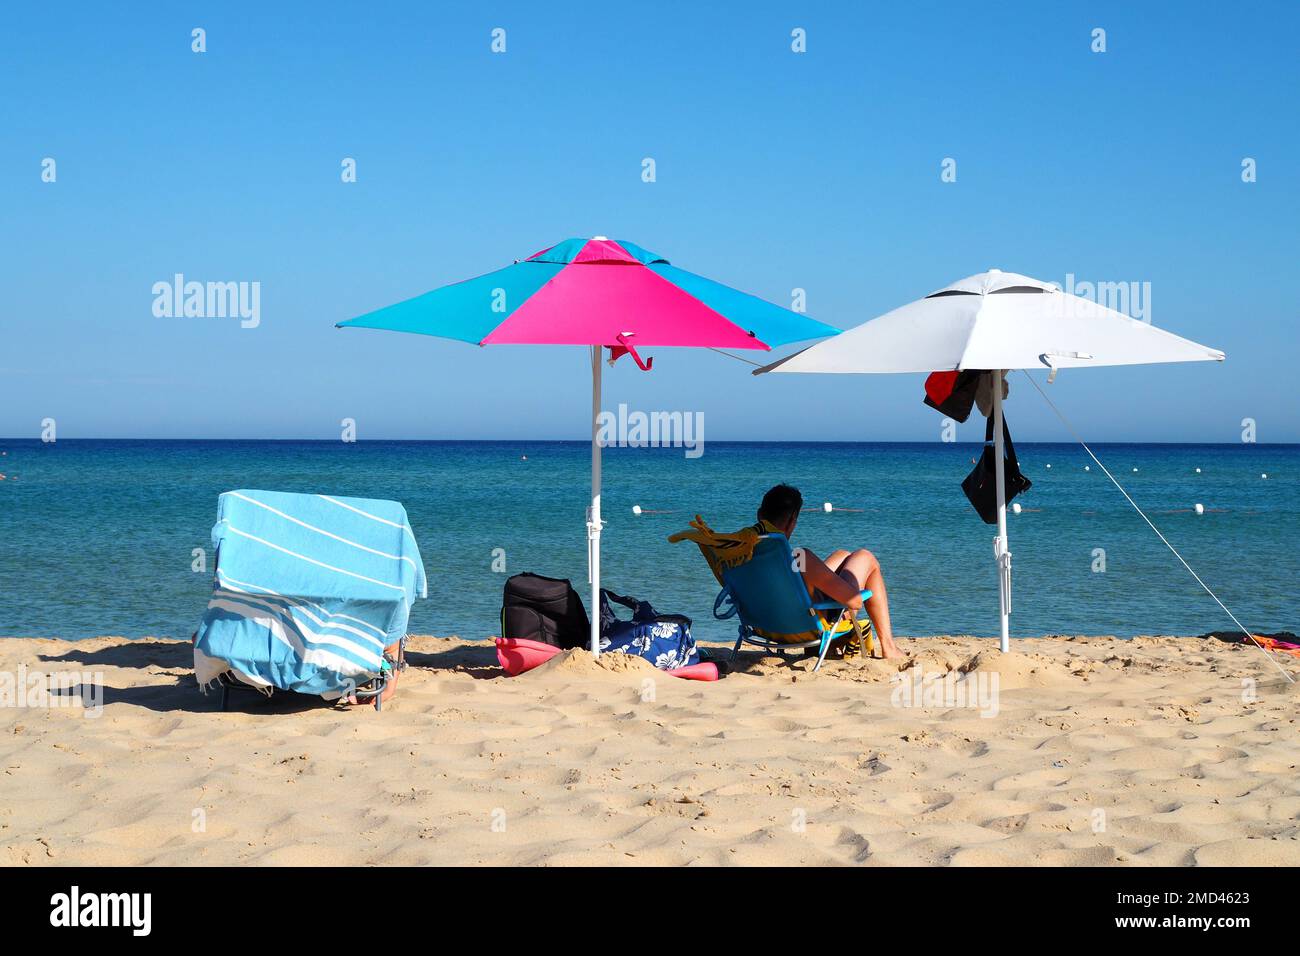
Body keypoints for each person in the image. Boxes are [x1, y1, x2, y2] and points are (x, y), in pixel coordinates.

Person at [756, 483, 903, 659]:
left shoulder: (745, 554)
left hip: (770, 625)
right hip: (810, 626)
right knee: (865, 557)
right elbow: (854, 602)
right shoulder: (799, 557)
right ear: (791, 522)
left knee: (842, 555)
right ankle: (888, 647)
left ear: (759, 515)